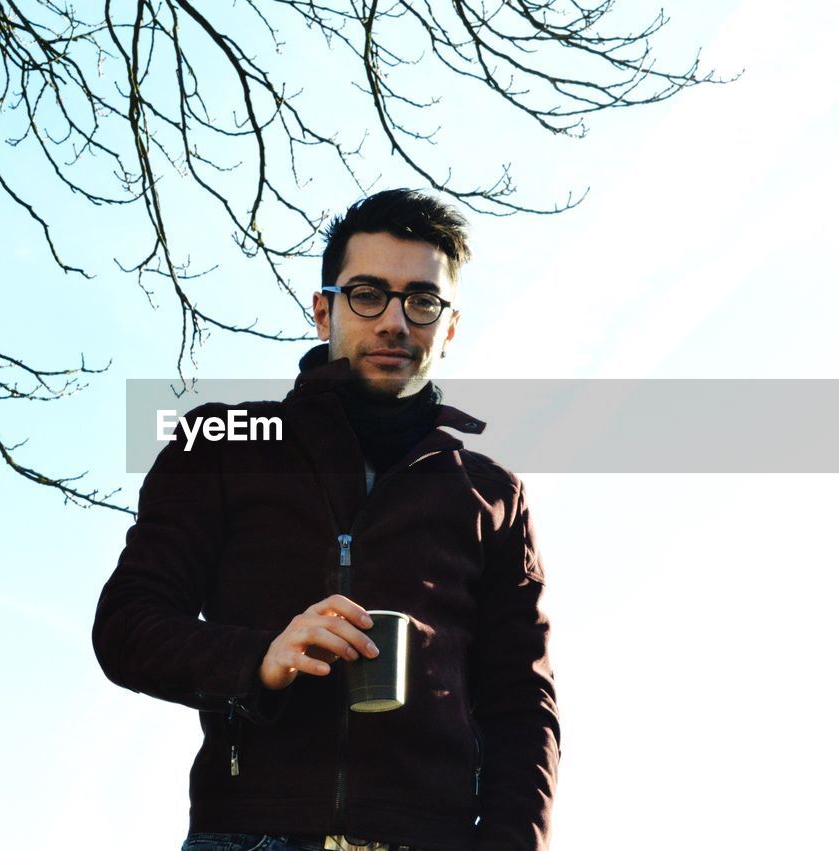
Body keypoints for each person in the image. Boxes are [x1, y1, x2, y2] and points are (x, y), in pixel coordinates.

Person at [93, 189, 560, 851]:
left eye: (422, 300)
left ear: (449, 326)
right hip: (251, 834)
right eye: (368, 292)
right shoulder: (220, 445)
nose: (395, 320)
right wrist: (260, 658)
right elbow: (127, 624)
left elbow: (523, 705)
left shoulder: (491, 494)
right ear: (324, 310)